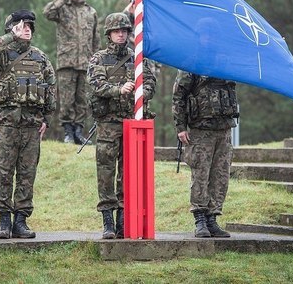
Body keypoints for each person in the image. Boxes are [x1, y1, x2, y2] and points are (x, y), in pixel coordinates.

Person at [0, 10, 56, 239]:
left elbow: (50, 88)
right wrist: (11, 37)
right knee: (4, 172)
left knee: (26, 174)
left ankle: (20, 221)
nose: (27, 29)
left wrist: (47, 120)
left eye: (30, 26)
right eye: (22, 25)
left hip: (32, 126)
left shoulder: (40, 58)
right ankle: (4, 221)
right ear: (12, 29)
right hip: (7, 125)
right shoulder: (2, 56)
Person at [87, 12, 156, 239]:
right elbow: (97, 86)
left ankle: (123, 221)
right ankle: (107, 220)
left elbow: (150, 83)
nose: (121, 34)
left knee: (129, 173)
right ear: (109, 34)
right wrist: (119, 89)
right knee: (106, 171)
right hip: (108, 123)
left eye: (124, 31)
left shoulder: (138, 58)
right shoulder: (98, 59)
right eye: (117, 31)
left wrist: (140, 93)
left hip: (131, 123)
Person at [172, 71, 239, 238]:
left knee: (221, 176)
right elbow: (178, 97)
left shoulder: (225, 63)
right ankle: (200, 219)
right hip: (201, 130)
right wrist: (180, 127)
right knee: (201, 175)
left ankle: (212, 219)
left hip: (223, 130)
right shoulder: (192, 64)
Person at [43, 0, 100, 145]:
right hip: (67, 62)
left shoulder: (91, 12)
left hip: (85, 63)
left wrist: (96, 62)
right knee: (67, 100)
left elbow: (96, 39)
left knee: (82, 100)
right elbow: (47, 12)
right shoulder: (62, 9)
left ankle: (78, 132)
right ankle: (68, 132)